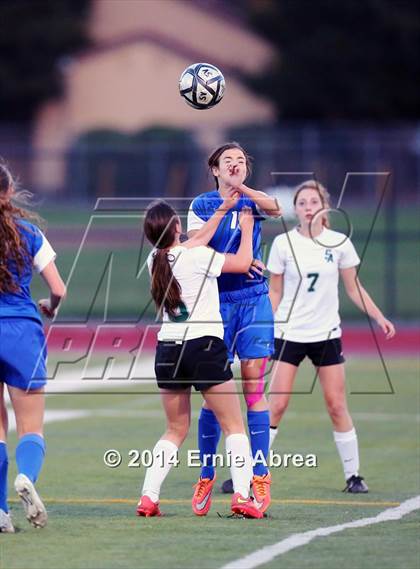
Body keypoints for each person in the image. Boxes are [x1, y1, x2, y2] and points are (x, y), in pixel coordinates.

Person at [137, 197, 263, 519]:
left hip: (168, 349)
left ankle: (148, 498)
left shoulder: (155, 259)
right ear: (177, 227)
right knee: (234, 425)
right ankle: (241, 495)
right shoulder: (198, 256)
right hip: (204, 346)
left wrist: (220, 212)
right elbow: (242, 261)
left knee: (174, 429)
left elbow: (196, 240)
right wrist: (246, 229)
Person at [267, 180, 395, 492]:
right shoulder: (283, 244)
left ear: (324, 207)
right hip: (289, 333)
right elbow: (274, 292)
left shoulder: (339, 243)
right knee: (276, 406)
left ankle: (354, 476)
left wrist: (379, 317)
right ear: (295, 209)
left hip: (325, 334)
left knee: (336, 404)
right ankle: (251, 470)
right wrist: (261, 327)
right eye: (301, 203)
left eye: (313, 202)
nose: (308, 207)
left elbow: (354, 288)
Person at [187, 142, 282, 514]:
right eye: (228, 161)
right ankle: (207, 474)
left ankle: (260, 475)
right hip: (215, 304)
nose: (235, 165)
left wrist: (242, 192)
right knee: (216, 392)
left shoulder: (253, 200)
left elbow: (275, 208)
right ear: (214, 169)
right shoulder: (202, 205)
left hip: (254, 301)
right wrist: (241, 261)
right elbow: (195, 247)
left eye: (241, 161)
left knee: (254, 388)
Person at [0, 162, 66, 533]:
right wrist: (50, 308)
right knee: (31, 427)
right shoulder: (29, 233)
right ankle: (26, 477)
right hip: (21, 332)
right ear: (10, 192)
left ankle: (0, 512)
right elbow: (58, 289)